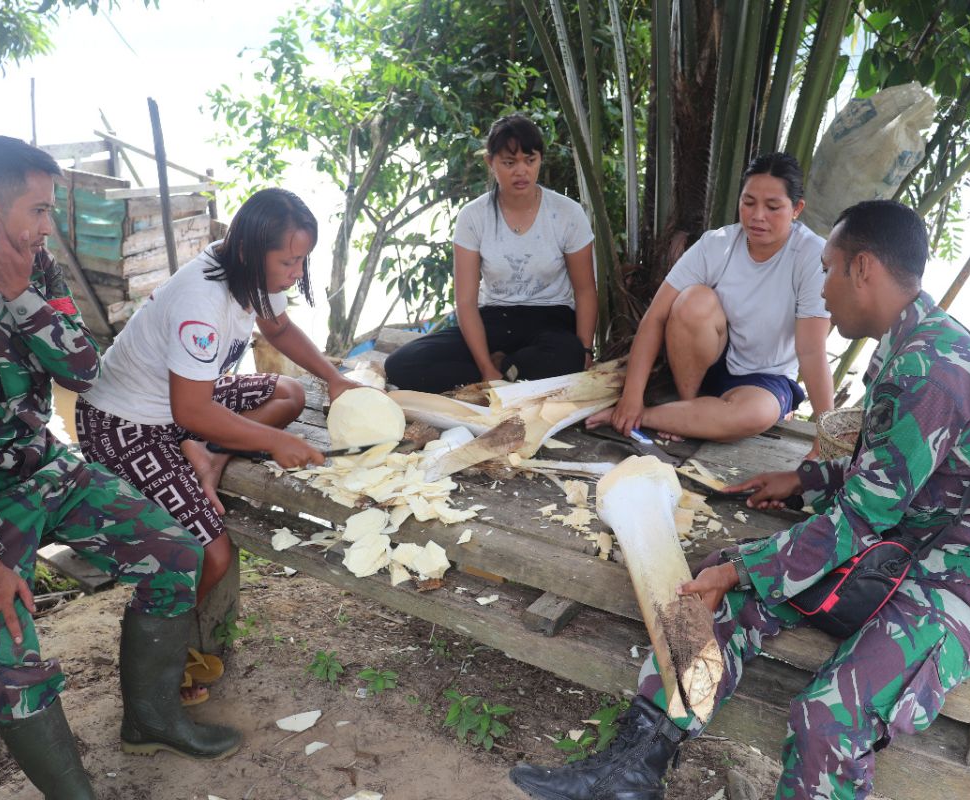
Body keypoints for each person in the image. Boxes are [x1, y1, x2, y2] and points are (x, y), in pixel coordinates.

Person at [509, 200, 970, 800]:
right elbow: (894, 474)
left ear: (863, 269)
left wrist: (748, 565)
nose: (821, 286)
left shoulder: (933, 371)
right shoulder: (909, 342)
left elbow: (862, 520)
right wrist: (804, 482)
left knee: (828, 717)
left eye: (829, 269)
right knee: (714, 589)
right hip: (905, 544)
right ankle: (630, 772)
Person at [0, 136, 240, 800]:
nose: (48, 225)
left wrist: (21, 295)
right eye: (41, 209)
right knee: (5, 641)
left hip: (49, 467)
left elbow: (84, 371)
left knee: (174, 554)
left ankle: (153, 718)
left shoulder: (38, 268)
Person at [76, 188, 361, 698]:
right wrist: (274, 441)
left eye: (303, 261)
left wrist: (334, 377)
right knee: (211, 552)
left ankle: (208, 457)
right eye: (289, 261)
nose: (296, 272)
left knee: (289, 392)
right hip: (125, 423)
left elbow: (278, 328)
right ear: (253, 251)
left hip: (180, 402)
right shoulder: (200, 303)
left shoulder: (250, 273)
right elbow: (192, 411)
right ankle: (164, 661)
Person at [586, 152, 832, 444]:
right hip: (708, 367)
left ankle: (664, 417)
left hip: (764, 381)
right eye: (748, 202)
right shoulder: (717, 244)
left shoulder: (812, 256)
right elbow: (657, 316)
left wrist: (826, 434)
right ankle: (688, 406)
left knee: (757, 415)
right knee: (693, 301)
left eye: (773, 206)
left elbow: (812, 351)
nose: (757, 216)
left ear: (796, 209)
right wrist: (631, 395)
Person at [384, 114, 597, 392]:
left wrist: (586, 351)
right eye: (509, 163)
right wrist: (485, 366)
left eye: (529, 161)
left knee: (568, 355)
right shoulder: (473, 216)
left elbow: (585, 291)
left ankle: (504, 367)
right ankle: (502, 372)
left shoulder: (568, 213)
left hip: (551, 321)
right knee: (402, 365)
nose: (521, 171)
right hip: (492, 320)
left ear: (540, 160)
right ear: (491, 162)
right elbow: (466, 301)